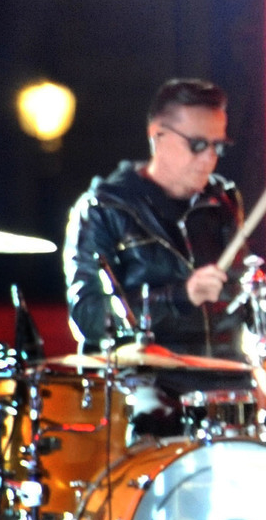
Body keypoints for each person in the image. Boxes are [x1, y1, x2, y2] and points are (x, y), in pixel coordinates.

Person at [62, 77, 250, 431]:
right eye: (198, 145)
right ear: (157, 135)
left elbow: (240, 296)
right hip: (147, 392)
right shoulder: (103, 209)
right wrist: (180, 296)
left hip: (225, 388)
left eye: (218, 147)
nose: (209, 158)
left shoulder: (222, 202)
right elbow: (89, 315)